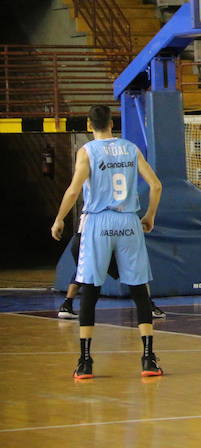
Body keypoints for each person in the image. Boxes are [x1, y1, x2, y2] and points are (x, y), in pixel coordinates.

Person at [50, 105, 164, 379]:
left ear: (90, 125)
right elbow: (156, 185)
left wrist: (59, 218)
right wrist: (148, 216)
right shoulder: (130, 148)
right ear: (112, 125)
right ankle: (148, 358)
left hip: (98, 223)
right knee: (139, 290)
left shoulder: (87, 151)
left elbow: (74, 189)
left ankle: (85, 361)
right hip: (128, 222)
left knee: (90, 288)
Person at [57, 230, 165, 319]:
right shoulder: (107, 211)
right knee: (135, 269)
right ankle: (149, 306)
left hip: (80, 238)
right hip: (101, 237)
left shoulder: (88, 209)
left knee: (83, 271)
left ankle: (67, 304)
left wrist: (59, 219)